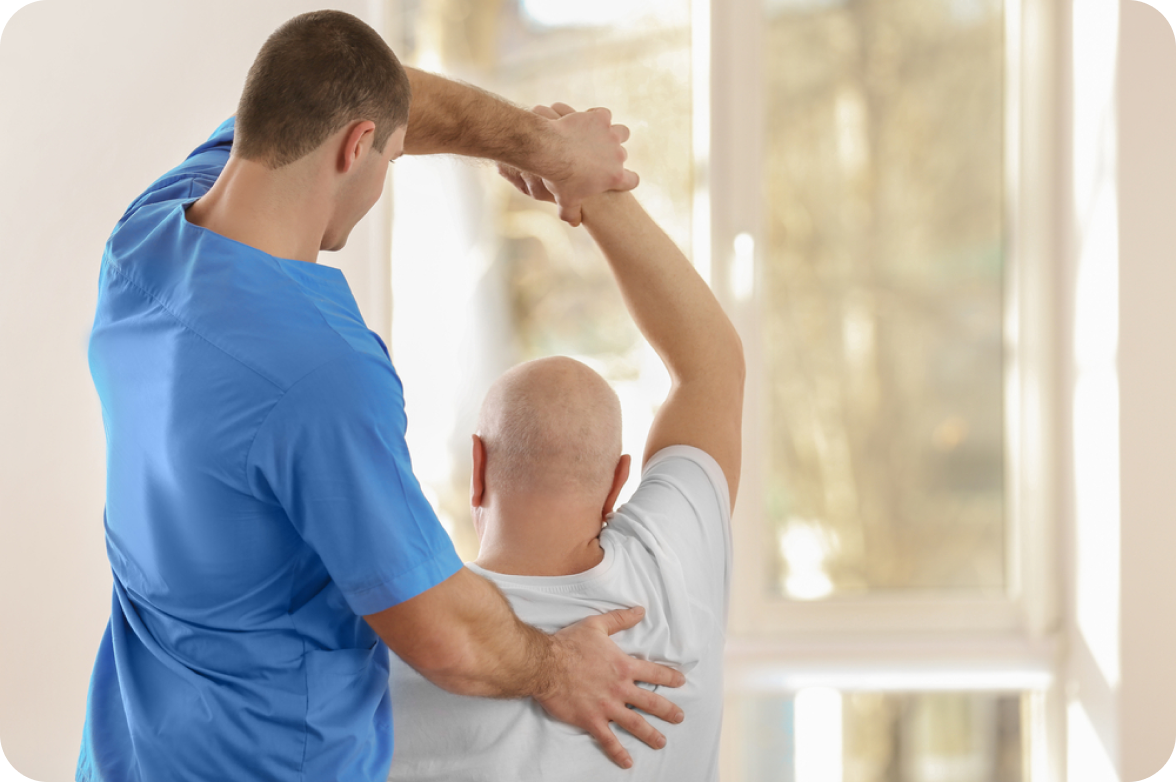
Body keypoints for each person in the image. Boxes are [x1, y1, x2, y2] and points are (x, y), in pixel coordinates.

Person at [76, 12, 685, 782]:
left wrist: (544, 148)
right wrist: (558, 667)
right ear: (356, 146)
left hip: (126, 757)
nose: (386, 174)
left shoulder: (145, 244)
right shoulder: (319, 372)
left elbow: (383, 95)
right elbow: (444, 636)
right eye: (391, 157)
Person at [386, 102, 746, 781]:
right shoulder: (675, 580)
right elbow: (712, 367)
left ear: (478, 467)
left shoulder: (402, 634)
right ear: (617, 482)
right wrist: (588, 188)